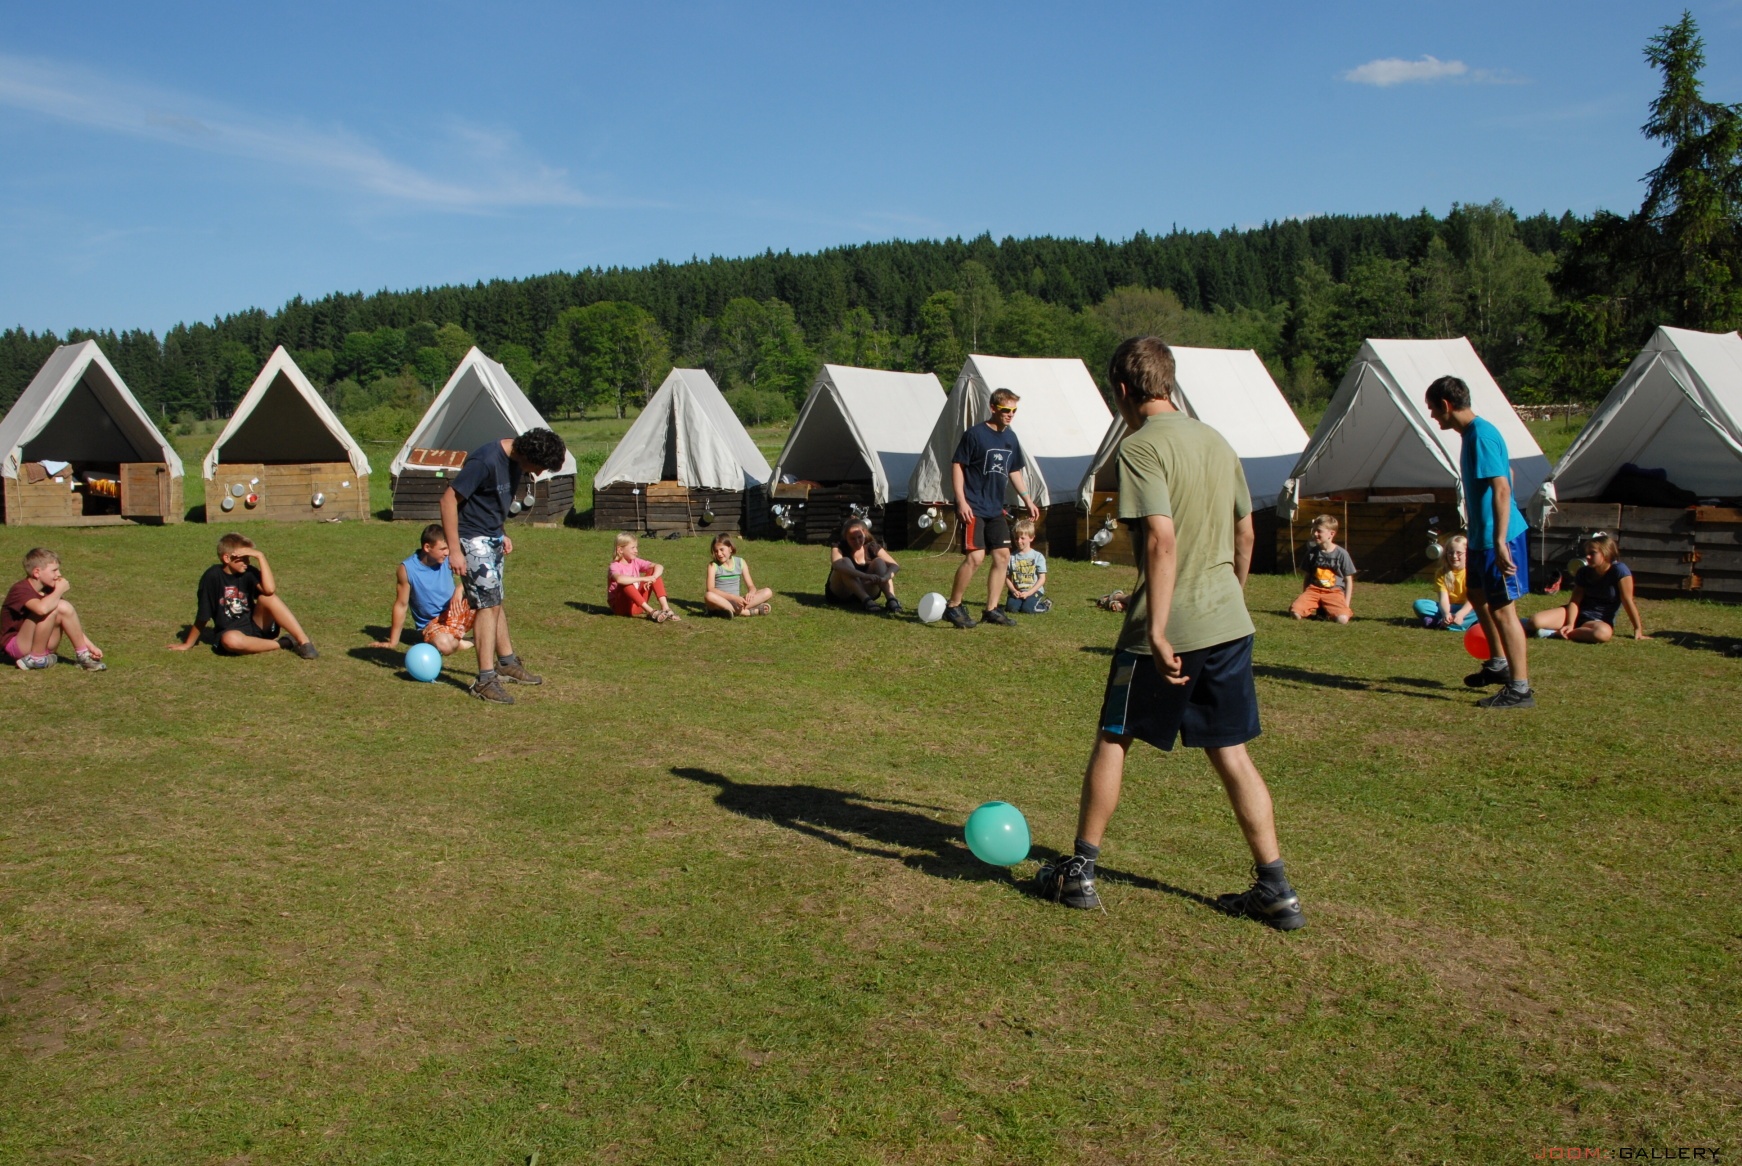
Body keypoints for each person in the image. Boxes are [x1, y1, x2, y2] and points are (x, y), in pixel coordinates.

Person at [1034, 337, 1305, 930]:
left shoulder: (1139, 447)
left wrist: (1157, 629)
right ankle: (1276, 889)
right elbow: (1245, 533)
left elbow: (1161, 538)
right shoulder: (1216, 440)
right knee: (1230, 750)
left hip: (1167, 629)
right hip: (1228, 624)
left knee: (1114, 736)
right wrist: (1230, 596)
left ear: (1122, 390)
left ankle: (1080, 872)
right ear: (1169, 381)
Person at [1426, 376, 1534, 708]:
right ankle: (1499, 664)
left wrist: (1499, 540)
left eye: (1433, 409)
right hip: (1480, 538)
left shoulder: (1482, 436)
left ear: (1446, 405)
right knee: (1475, 594)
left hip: (1497, 539)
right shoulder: (1471, 435)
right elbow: (1508, 474)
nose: (1432, 416)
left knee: (1503, 611)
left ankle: (1520, 689)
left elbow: (1502, 488)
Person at [440, 427, 568, 703]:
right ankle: (484, 680)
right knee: (486, 606)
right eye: (540, 467)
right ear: (530, 455)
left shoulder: (516, 461)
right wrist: (454, 550)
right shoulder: (485, 460)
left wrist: (501, 532)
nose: (538, 473)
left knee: (495, 601)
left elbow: (491, 502)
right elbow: (448, 500)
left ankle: (507, 663)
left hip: (492, 536)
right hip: (471, 538)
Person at [942, 389, 1040, 628]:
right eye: (1006, 410)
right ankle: (953, 606)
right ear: (993, 408)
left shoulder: (1011, 438)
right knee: (976, 557)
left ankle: (992, 609)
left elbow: (1013, 470)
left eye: (1014, 410)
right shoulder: (975, 434)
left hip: (996, 508)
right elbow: (958, 465)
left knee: (1003, 556)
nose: (1010, 414)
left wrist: (1027, 499)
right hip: (974, 506)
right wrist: (961, 501)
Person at [171, 533, 317, 658]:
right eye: (243, 558)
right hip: (230, 631)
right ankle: (284, 643)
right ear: (227, 558)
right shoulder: (212, 577)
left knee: (267, 598)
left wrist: (260, 556)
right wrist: (188, 644)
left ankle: (303, 641)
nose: (247, 562)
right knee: (230, 640)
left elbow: (270, 590)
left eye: (249, 558)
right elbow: (203, 614)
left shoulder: (248, 572)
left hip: (255, 625)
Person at [369, 523, 476, 655]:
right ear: (427, 547)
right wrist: (393, 642)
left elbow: (476, 576)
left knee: (489, 597)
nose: (447, 552)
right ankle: (472, 641)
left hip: (455, 610)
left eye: (448, 548)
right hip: (433, 623)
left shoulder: (448, 558)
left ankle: (467, 636)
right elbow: (401, 605)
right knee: (445, 645)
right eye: (442, 549)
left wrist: (459, 589)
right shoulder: (407, 570)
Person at [1527, 533, 1646, 643]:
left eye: (1592, 553)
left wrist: (1637, 629)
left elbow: (1627, 600)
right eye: (1587, 553)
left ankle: (1554, 633)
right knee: (1535, 621)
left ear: (1606, 553)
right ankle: (1563, 630)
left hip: (1597, 621)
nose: (1587, 556)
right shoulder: (1583, 571)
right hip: (1575, 614)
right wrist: (1570, 623)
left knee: (1602, 634)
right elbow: (1575, 601)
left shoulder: (1619, 570)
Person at [3, 547, 105, 671]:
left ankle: (83, 656)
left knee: (63, 606)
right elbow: (41, 609)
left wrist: (90, 646)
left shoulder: (49, 590)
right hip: (17, 645)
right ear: (37, 572)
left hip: (43, 643)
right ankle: (37, 658)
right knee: (51, 608)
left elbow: (70, 622)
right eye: (54, 570)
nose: (59, 574)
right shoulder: (20, 589)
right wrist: (59, 590)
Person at [1288, 515, 1356, 623]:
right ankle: (1314, 607)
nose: (1315, 534)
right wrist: (1305, 596)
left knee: (1342, 620)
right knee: (1295, 613)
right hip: (1314, 590)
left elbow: (1348, 580)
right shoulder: (1312, 553)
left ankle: (1327, 610)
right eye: (1314, 530)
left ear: (1331, 534)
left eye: (1319, 531)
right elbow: (1307, 577)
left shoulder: (1341, 554)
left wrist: (1346, 604)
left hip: (1334, 592)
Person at [825, 518, 902, 612]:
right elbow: (837, 565)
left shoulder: (872, 546)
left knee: (879, 561)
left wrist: (884, 578)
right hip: (842, 592)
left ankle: (891, 599)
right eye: (852, 539)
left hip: (867, 587)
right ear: (846, 537)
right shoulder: (839, 546)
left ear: (864, 533)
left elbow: (895, 565)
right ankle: (866, 600)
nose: (857, 542)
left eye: (859, 537)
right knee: (845, 562)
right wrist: (865, 576)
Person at [608, 533, 680, 622]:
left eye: (636, 547)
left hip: (638, 606)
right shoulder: (614, 566)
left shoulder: (635, 561)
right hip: (621, 608)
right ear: (620, 550)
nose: (636, 551)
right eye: (633, 548)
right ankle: (651, 612)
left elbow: (659, 566)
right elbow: (619, 579)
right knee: (625, 583)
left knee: (653, 571)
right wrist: (643, 579)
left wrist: (652, 578)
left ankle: (666, 609)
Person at [1413, 535, 1476, 630]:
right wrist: (1446, 614)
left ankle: (1439, 622)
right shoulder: (1442, 572)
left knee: (1484, 609)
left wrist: (1461, 614)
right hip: (1449, 607)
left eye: (1459, 553)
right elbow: (1443, 599)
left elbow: (1473, 600)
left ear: (1467, 553)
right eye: (1450, 553)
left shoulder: (1473, 572)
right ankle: (1452, 622)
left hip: (1468, 608)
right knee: (1419, 604)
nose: (1454, 556)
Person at [703, 533, 773, 617]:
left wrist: (751, 593)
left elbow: (751, 586)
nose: (719, 554)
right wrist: (733, 597)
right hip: (720, 600)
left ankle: (728, 610)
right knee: (708, 596)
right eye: (716, 551)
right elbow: (710, 589)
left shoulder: (740, 562)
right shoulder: (713, 566)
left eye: (721, 549)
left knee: (768, 592)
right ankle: (747, 612)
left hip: (737, 602)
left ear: (730, 548)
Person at [1004, 518, 1050, 614]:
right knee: (1012, 608)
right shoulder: (1011, 557)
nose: (1019, 541)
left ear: (1031, 538)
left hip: (1033, 591)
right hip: (1018, 591)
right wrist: (1013, 591)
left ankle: (1045, 605)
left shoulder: (1038, 556)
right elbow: (1007, 577)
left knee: (1028, 609)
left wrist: (1029, 593)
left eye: (1022, 538)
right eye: (1016, 538)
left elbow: (1042, 578)